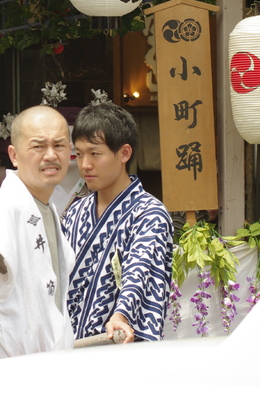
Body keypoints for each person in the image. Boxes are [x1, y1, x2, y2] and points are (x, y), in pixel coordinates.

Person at [0, 106, 75, 394]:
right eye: (38, 146)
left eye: (59, 145)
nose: (50, 155)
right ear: (13, 155)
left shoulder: (48, 207)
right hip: (9, 379)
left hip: (45, 375)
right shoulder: (2, 206)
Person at [61, 102, 173, 343]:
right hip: (68, 345)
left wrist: (121, 313)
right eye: (79, 154)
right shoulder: (75, 212)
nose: (84, 165)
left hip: (117, 343)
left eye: (95, 153)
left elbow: (140, 268)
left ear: (124, 153)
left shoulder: (149, 213)